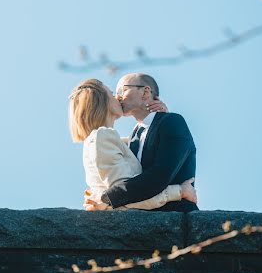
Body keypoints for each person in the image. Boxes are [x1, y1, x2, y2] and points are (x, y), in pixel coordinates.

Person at [69, 78, 197, 211]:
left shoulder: (118, 140)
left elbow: (145, 144)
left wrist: (159, 121)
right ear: (101, 102)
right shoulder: (102, 137)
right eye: (112, 93)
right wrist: (179, 191)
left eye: (122, 91)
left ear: (145, 92)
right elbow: (128, 196)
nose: (117, 97)